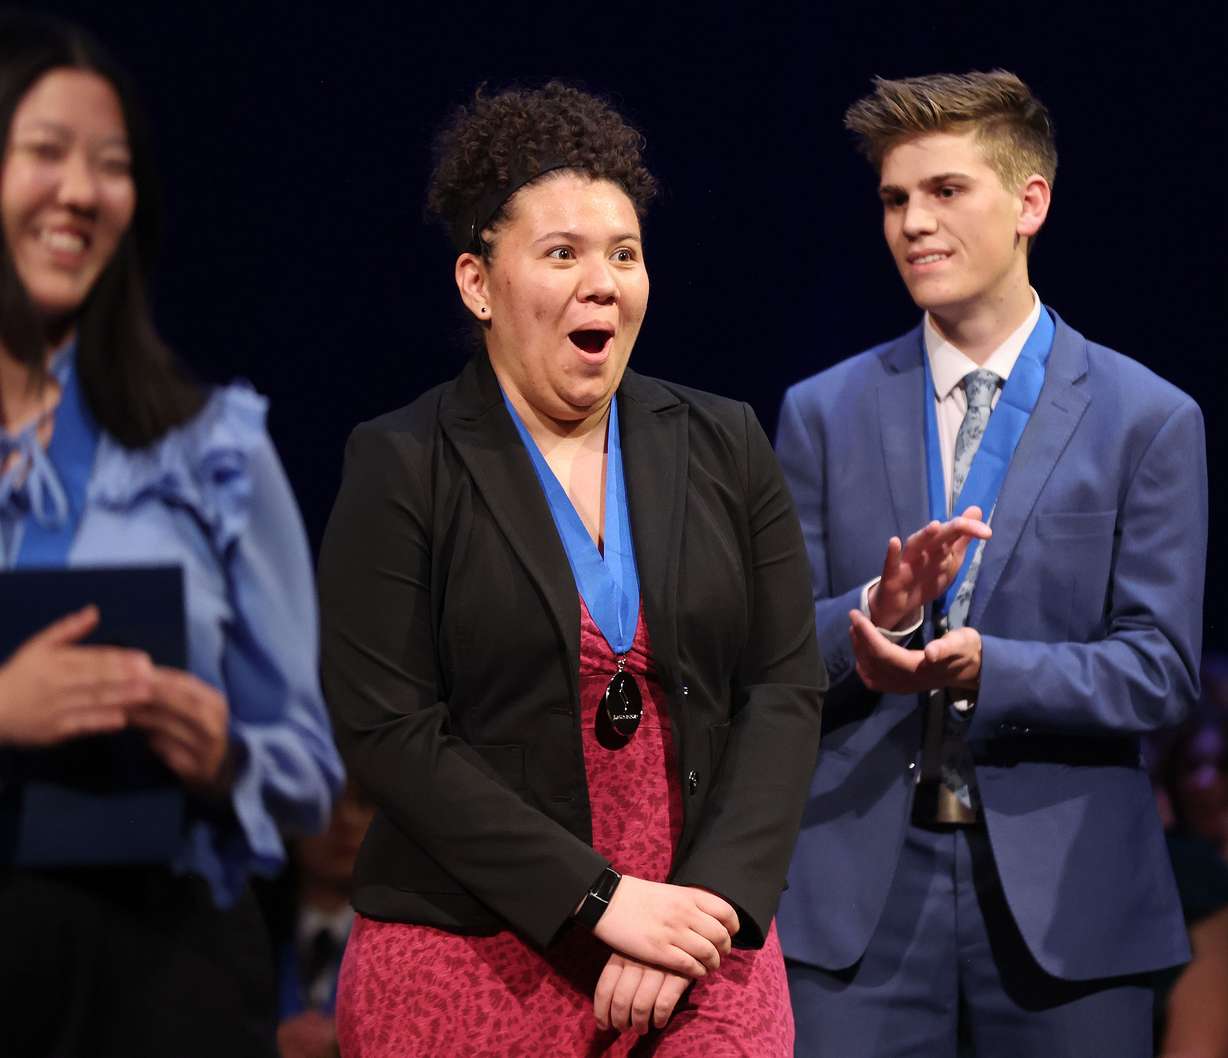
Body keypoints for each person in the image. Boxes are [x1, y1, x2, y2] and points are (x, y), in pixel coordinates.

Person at [317, 82, 824, 1056]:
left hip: (696, 945)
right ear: (477, 283)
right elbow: (389, 732)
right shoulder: (402, 463)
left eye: (624, 254)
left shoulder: (725, 443)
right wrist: (597, 900)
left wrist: (701, 903)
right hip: (472, 955)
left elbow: (783, 686)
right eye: (563, 254)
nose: (604, 282)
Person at [775, 70, 1206, 1056]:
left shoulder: (1147, 418)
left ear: (1029, 203)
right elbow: (771, 650)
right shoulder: (821, 412)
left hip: (1068, 900)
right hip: (857, 900)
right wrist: (873, 614)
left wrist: (993, 665)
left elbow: (1162, 666)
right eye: (893, 198)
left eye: (944, 191)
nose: (912, 223)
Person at [0, 12, 343, 1056]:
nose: (79, 191)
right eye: (45, 152)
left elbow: (311, 764)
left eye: (109, 165)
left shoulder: (211, 447)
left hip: (168, 966)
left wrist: (225, 751)